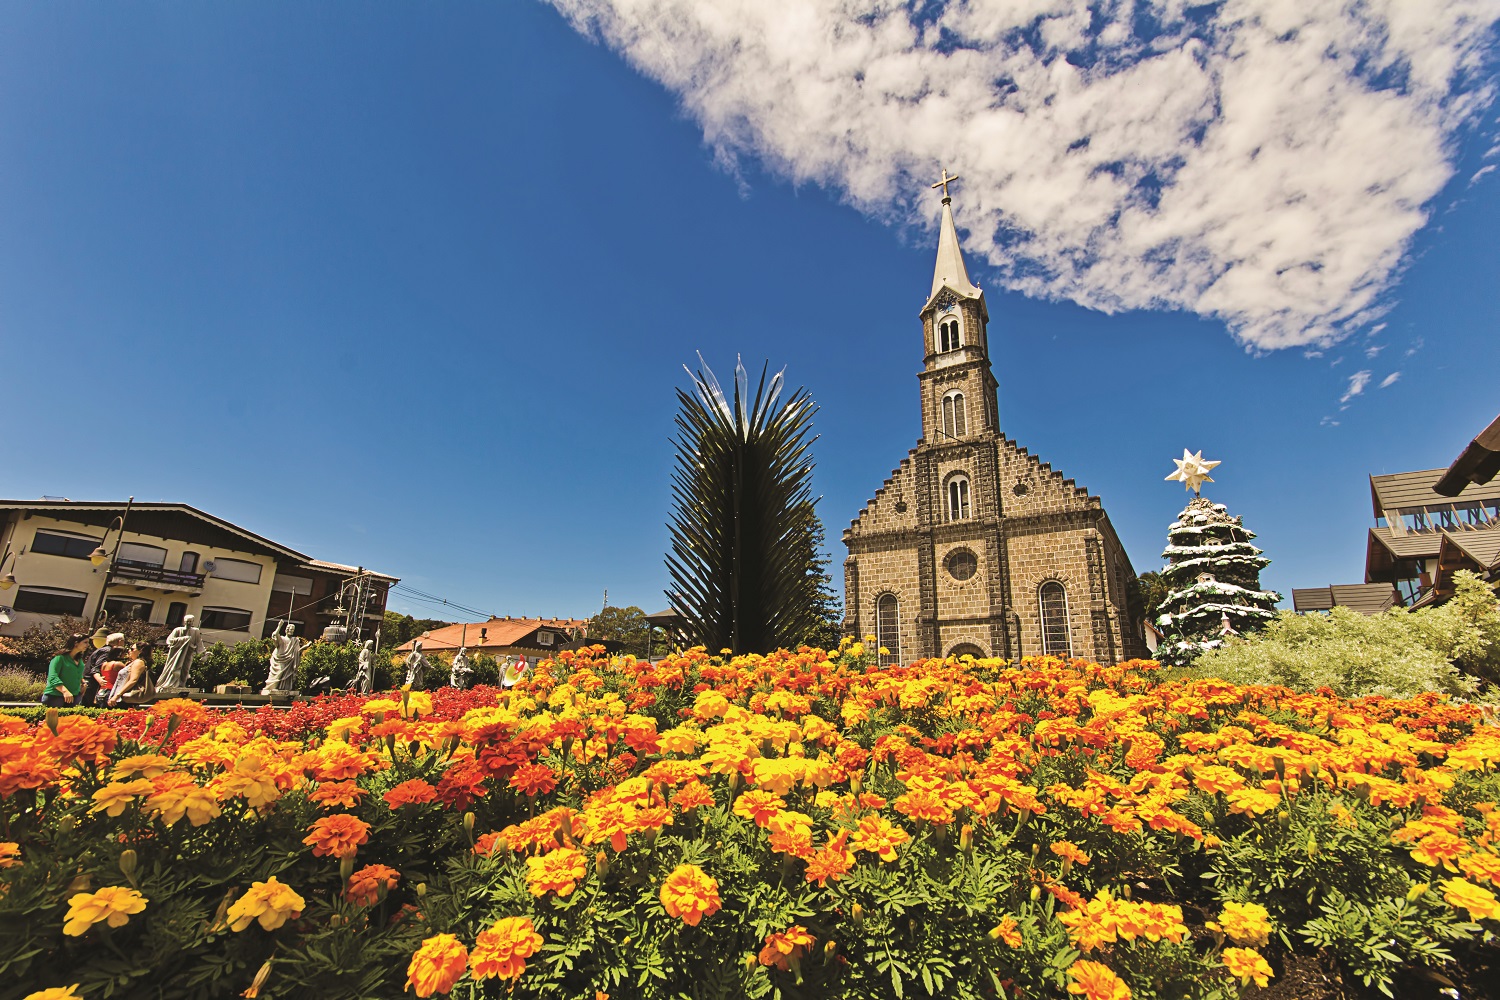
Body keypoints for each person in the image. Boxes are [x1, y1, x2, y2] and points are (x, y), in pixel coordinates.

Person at [42, 633, 90, 708]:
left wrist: (83, 682)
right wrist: (65, 691)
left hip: (74, 696)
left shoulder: (79, 660)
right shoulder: (59, 658)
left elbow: (76, 673)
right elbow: (52, 677)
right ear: (76, 643)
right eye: (85, 642)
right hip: (55, 696)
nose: (88, 645)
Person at [108, 641, 157, 706]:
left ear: (140, 651)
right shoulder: (133, 662)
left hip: (126, 698)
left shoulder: (138, 662)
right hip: (121, 697)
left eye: (132, 649)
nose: (129, 650)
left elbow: (133, 680)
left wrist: (117, 695)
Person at [83, 632, 126, 705]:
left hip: (90, 682)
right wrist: (100, 679)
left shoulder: (104, 649)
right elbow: (96, 667)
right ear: (120, 641)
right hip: (92, 683)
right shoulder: (107, 651)